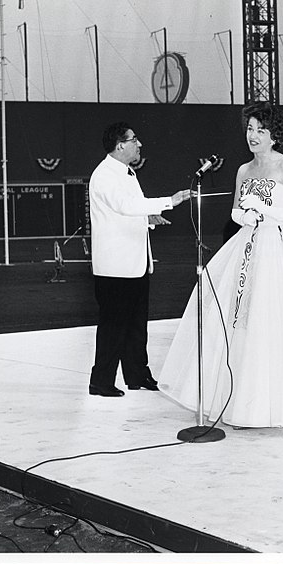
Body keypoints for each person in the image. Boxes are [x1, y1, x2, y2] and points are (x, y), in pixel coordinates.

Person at [158, 102, 283, 429]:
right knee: (235, 323)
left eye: (261, 130)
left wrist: (268, 210)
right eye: (249, 129)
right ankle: (239, 405)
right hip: (246, 247)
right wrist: (246, 214)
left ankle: (265, 408)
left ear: (275, 135)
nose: (253, 136)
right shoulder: (243, 170)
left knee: (265, 324)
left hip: (275, 248)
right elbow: (234, 213)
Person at [88, 121, 192, 398]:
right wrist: (168, 201)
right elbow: (124, 206)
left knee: (135, 323)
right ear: (120, 145)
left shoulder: (125, 173)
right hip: (115, 267)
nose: (139, 144)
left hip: (132, 263)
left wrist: (149, 216)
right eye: (134, 140)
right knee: (114, 326)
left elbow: (128, 211)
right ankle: (101, 381)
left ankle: (137, 375)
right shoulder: (105, 175)